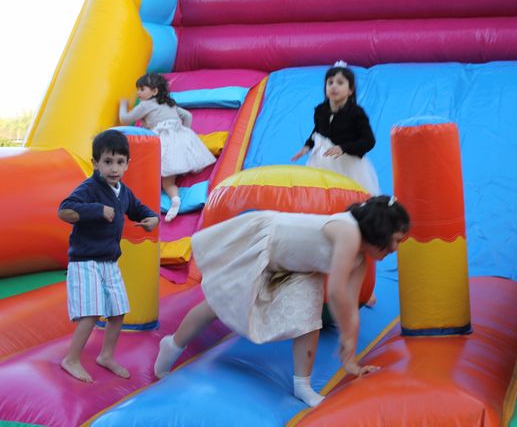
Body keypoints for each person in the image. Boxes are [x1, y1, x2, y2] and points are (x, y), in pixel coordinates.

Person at [153, 195, 409, 407]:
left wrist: (351, 354)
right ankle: (173, 344)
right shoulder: (348, 232)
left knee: (308, 319)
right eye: (396, 240)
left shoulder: (362, 260)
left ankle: (303, 385)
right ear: (380, 230)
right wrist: (346, 337)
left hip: (300, 267)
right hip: (267, 245)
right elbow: (337, 292)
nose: (396, 250)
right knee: (218, 304)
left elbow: (350, 304)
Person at [58, 129, 159, 383]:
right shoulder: (90, 188)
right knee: (91, 313)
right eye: (108, 162)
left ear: (127, 164)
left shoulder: (123, 191)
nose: (114, 168)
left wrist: (151, 219)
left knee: (117, 312)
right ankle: (71, 359)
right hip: (85, 260)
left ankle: (106, 356)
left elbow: (138, 209)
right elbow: (64, 210)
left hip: (110, 261)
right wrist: (96, 210)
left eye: (120, 162)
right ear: (95, 163)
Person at [119, 72, 216, 222]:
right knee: (171, 174)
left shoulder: (145, 105)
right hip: (180, 140)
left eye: (142, 89)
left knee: (156, 176)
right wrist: (184, 132)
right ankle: (176, 193)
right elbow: (188, 116)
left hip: (162, 143)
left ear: (154, 91)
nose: (138, 93)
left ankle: (168, 200)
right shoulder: (169, 103)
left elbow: (125, 120)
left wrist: (123, 105)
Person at [291, 61, 380, 196]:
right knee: (320, 195)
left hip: (348, 166)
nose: (334, 86)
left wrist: (343, 148)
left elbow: (368, 141)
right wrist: (307, 146)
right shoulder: (321, 110)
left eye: (340, 82)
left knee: (349, 197)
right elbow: (318, 131)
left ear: (350, 90)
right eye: (330, 82)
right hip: (322, 163)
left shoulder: (356, 113)